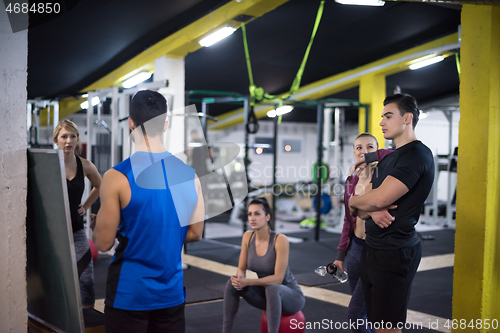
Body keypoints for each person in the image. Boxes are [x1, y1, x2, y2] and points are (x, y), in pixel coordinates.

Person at [92, 90, 205, 333]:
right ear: (165, 125)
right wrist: (162, 234)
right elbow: (195, 233)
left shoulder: (116, 176)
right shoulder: (191, 175)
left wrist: (97, 223)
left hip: (129, 294)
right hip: (171, 294)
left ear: (130, 123)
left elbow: (102, 242)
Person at [349, 94, 434, 333]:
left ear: (407, 118)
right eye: (382, 117)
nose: (381, 123)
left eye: (388, 116)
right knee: (375, 323)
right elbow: (363, 214)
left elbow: (377, 199)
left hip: (395, 252)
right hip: (372, 249)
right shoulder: (391, 159)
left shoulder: (417, 155)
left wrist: (354, 199)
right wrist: (365, 206)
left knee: (387, 328)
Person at [334, 133, 393, 333]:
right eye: (359, 148)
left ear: (378, 150)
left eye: (369, 147)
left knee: (355, 314)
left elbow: (397, 153)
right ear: (353, 151)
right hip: (355, 250)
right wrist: (341, 255)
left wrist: (370, 158)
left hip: (375, 250)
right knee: (364, 310)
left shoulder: (385, 176)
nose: (363, 152)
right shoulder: (351, 180)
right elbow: (347, 219)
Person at [222, 197, 305, 333]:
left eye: (257, 214)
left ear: (267, 217)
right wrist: (239, 279)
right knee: (231, 283)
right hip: (266, 296)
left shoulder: (280, 240)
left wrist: (248, 281)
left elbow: (278, 279)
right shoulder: (247, 237)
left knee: (272, 287)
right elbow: (241, 268)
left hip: (291, 298)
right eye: (249, 214)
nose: (252, 218)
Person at [53, 119, 102, 308]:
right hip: (54, 231)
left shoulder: (85, 165)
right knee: (57, 277)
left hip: (76, 228)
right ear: (56, 139)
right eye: (64, 136)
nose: (68, 141)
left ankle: (86, 314)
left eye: (73, 136)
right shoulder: (49, 164)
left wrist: (86, 206)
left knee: (86, 276)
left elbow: (100, 186)